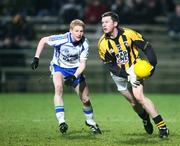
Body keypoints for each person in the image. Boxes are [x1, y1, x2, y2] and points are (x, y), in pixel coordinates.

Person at [97, 11, 169, 138]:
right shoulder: (102, 43)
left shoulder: (129, 34)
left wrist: (152, 65)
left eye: (107, 22)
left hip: (134, 68)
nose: (104, 25)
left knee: (139, 96)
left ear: (115, 23)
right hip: (118, 75)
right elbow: (111, 66)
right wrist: (126, 76)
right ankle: (145, 118)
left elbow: (146, 47)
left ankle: (162, 127)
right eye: (102, 22)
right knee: (134, 103)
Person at [31, 19, 101, 134]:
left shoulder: (85, 43)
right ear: (70, 31)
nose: (79, 33)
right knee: (58, 88)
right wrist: (36, 58)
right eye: (77, 31)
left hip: (75, 70)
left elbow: (83, 64)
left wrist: (74, 76)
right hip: (59, 67)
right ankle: (61, 121)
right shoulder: (62, 38)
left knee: (86, 99)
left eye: (81, 31)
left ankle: (90, 121)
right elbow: (43, 40)